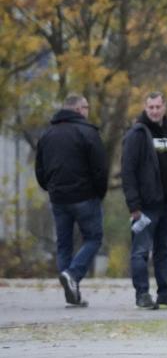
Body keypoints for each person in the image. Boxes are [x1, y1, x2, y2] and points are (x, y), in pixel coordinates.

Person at [121, 91, 167, 310]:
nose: (154, 111)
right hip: (145, 206)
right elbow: (128, 171)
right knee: (141, 251)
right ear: (145, 108)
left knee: (164, 251)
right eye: (150, 107)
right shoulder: (137, 133)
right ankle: (142, 294)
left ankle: (165, 293)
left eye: (158, 107)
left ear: (164, 107)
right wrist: (133, 205)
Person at [35, 93, 108, 307]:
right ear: (78, 110)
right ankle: (73, 275)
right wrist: (99, 193)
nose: (88, 111)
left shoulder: (47, 135)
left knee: (64, 244)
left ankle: (72, 291)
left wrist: (50, 188)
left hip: (58, 198)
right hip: (85, 197)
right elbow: (100, 168)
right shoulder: (88, 132)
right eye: (86, 107)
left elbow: (40, 169)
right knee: (94, 238)